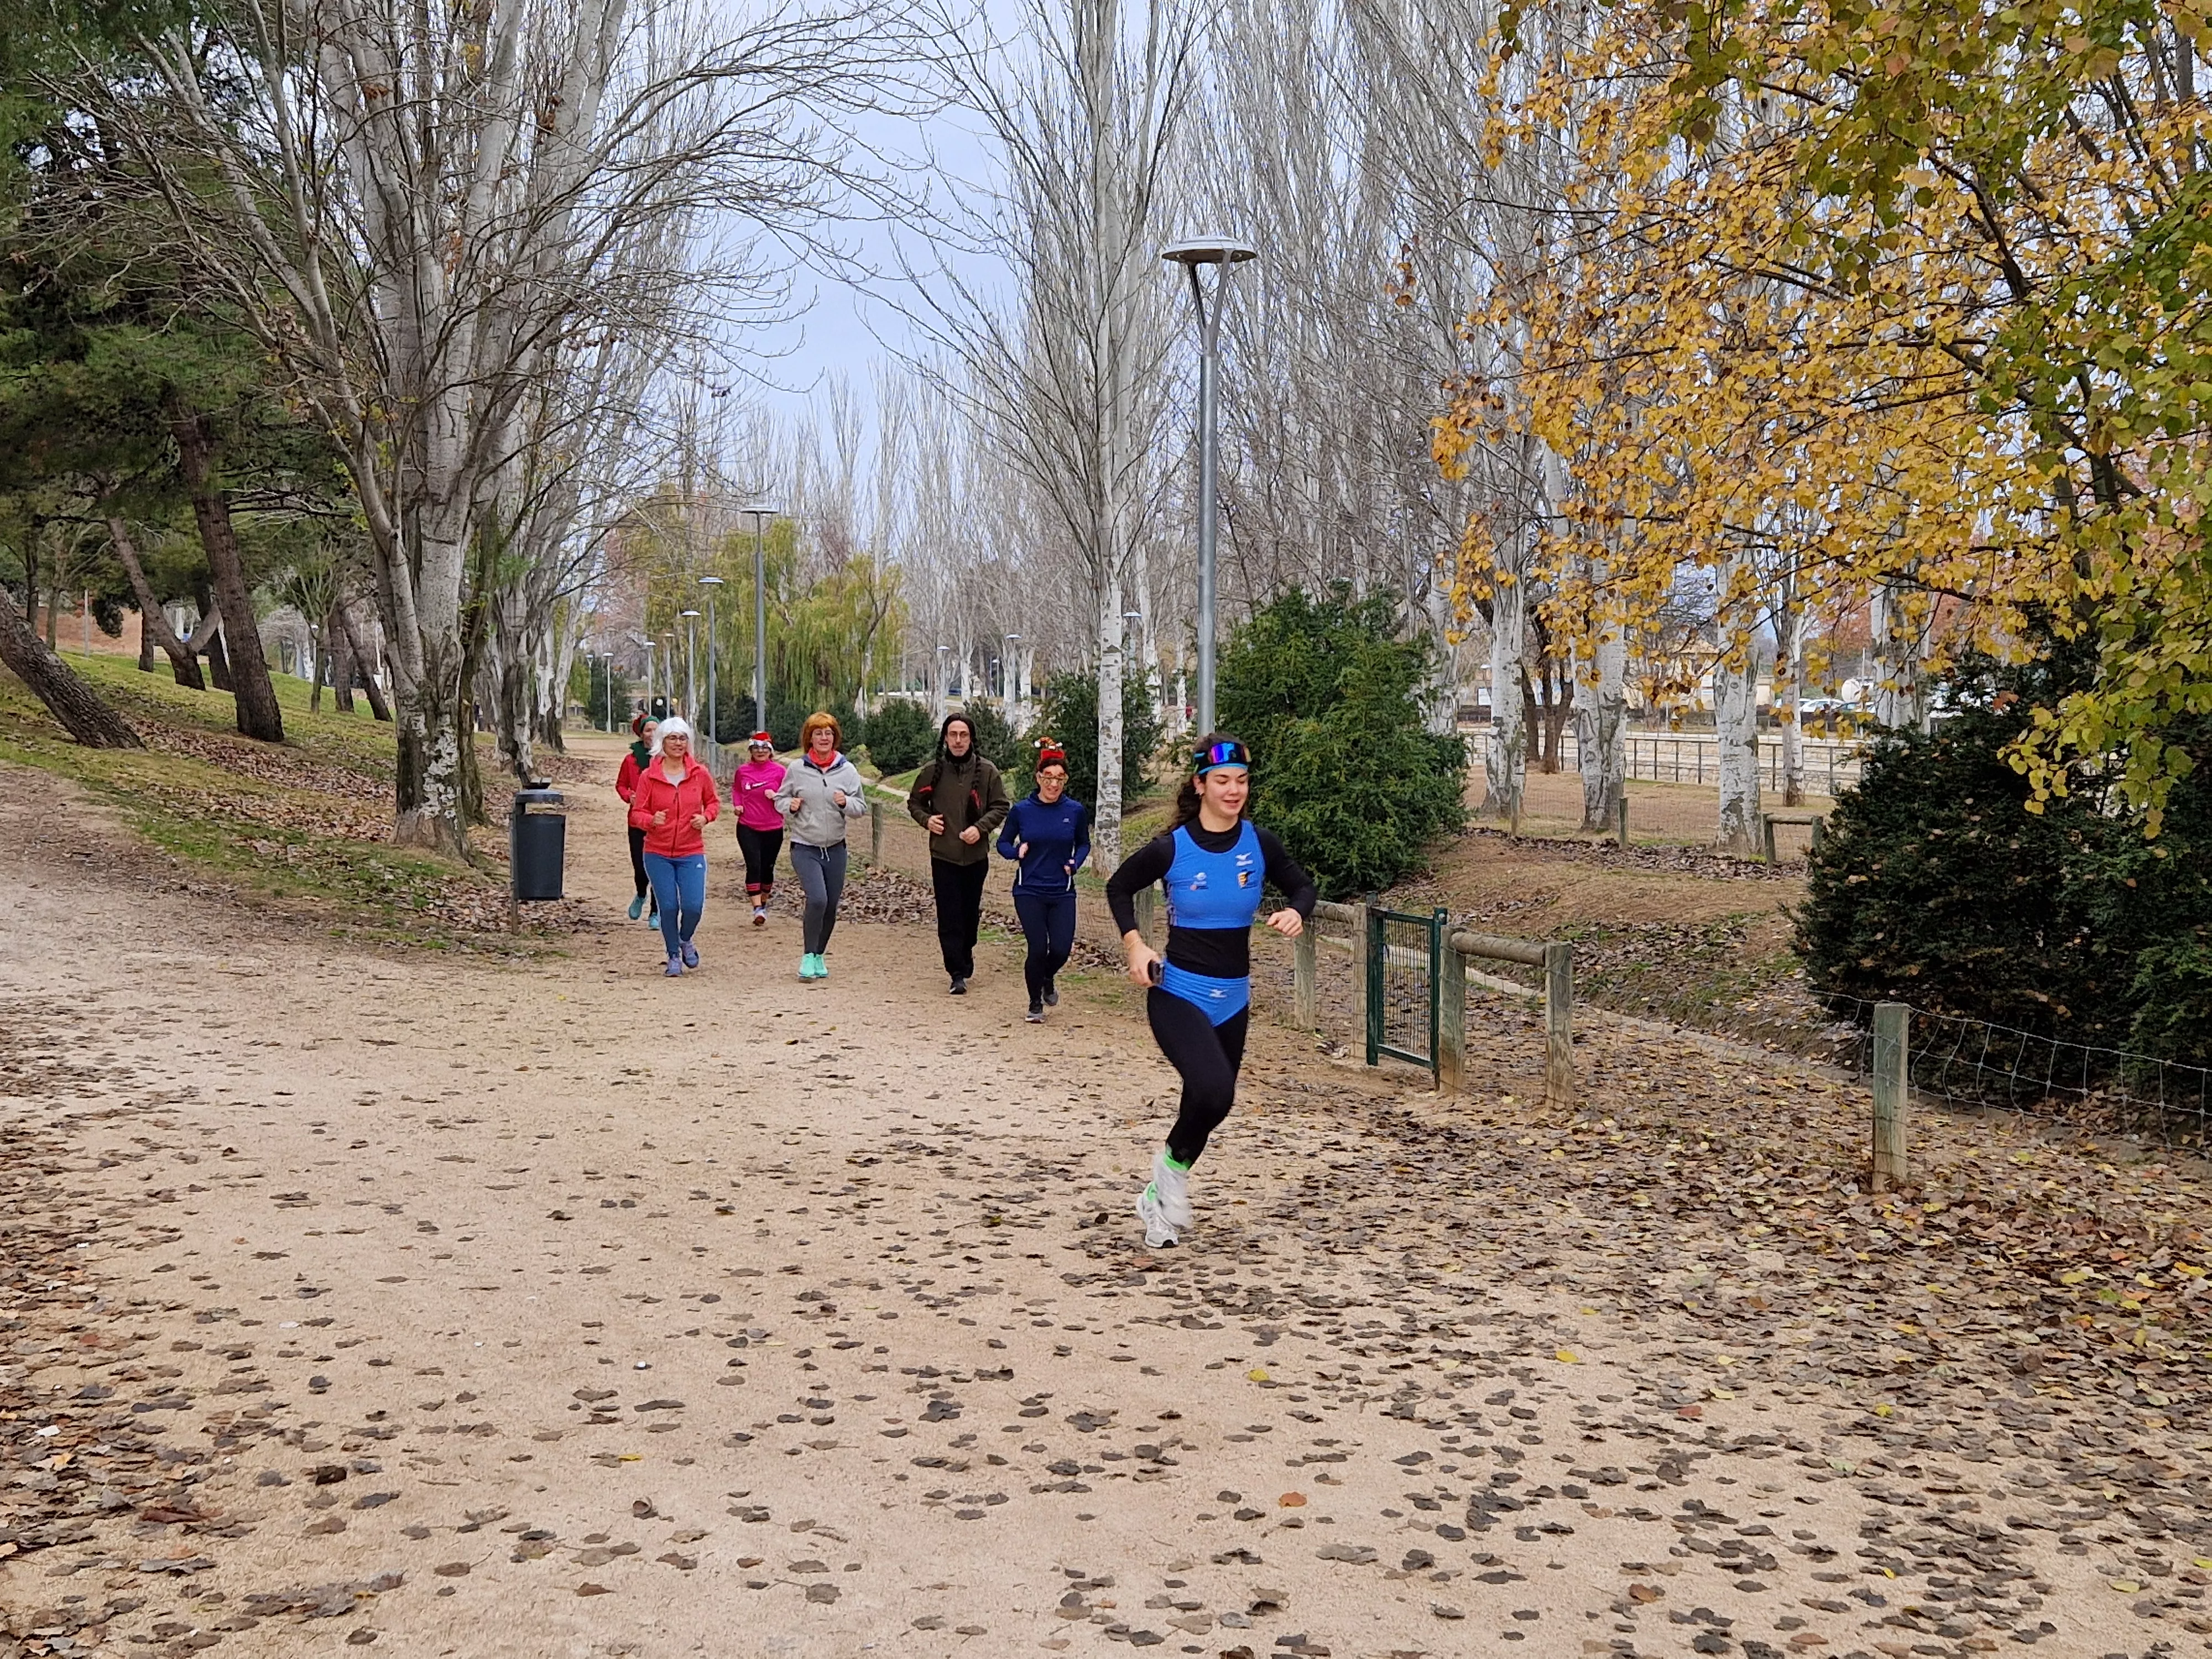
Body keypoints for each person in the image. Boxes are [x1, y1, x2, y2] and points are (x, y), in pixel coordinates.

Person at [1104, 734, 1316, 1249]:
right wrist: (1135, 945)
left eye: (1242, 781)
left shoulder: (1260, 843)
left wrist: (1296, 912)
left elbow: (1303, 886)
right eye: (1222, 780)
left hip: (1234, 998)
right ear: (1200, 785)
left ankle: (1161, 1188)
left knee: (1211, 1104)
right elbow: (1118, 887)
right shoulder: (1172, 847)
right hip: (1177, 991)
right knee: (1215, 1089)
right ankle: (1168, 1180)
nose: (1234, 790)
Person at [906, 712, 1010, 994]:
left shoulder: (988, 772)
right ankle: (956, 972)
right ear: (946, 738)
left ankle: (967, 951)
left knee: (969, 914)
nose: (958, 740)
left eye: (963, 735)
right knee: (949, 914)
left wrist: (981, 828)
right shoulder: (932, 771)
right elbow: (915, 802)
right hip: (944, 855)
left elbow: (1001, 806)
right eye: (953, 735)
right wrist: (927, 820)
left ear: (971, 738)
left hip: (976, 856)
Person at [996, 744, 1089, 1022]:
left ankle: (1047, 977)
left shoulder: (1075, 811)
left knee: (1061, 948)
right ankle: (1035, 1002)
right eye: (1048, 776)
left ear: (1065, 781)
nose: (1053, 783)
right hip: (1029, 889)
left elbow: (1084, 844)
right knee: (1038, 947)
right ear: (1038, 778)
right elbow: (1002, 843)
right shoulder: (1022, 811)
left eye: (1059, 778)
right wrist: (1016, 852)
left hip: (1062, 891)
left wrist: (1075, 863)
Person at [775, 712, 868, 981]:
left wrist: (844, 803)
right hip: (805, 846)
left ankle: (819, 955)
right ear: (810, 739)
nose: (824, 738)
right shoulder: (797, 769)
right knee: (818, 899)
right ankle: (807, 956)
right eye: (818, 733)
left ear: (834, 737)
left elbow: (860, 808)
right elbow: (780, 799)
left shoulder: (847, 770)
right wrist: (789, 807)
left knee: (831, 906)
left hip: (836, 848)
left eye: (828, 733)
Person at [626, 716, 719, 977]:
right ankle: (673, 955)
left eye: (682, 738)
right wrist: (651, 821)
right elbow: (637, 814)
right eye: (672, 738)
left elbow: (713, 803)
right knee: (668, 906)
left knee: (693, 906)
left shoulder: (699, 774)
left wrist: (706, 817)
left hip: (691, 851)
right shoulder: (649, 776)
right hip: (657, 852)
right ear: (661, 742)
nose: (678, 743)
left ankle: (685, 938)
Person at [732, 732, 786, 927]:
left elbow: (790, 794)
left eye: (764, 749)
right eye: (756, 749)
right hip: (748, 826)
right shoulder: (743, 771)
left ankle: (763, 900)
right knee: (754, 865)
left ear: (770, 751)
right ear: (751, 751)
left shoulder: (780, 772)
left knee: (767, 868)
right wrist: (738, 805)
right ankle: (757, 909)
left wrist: (777, 796)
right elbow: (737, 790)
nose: (760, 752)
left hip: (773, 827)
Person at [614, 715, 661, 926]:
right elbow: (621, 785)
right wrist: (629, 796)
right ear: (641, 734)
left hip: (661, 821)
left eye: (655, 730)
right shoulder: (630, 760)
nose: (652, 734)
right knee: (640, 867)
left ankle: (655, 912)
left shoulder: (665, 758)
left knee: (660, 868)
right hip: (637, 821)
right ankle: (641, 893)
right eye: (648, 730)